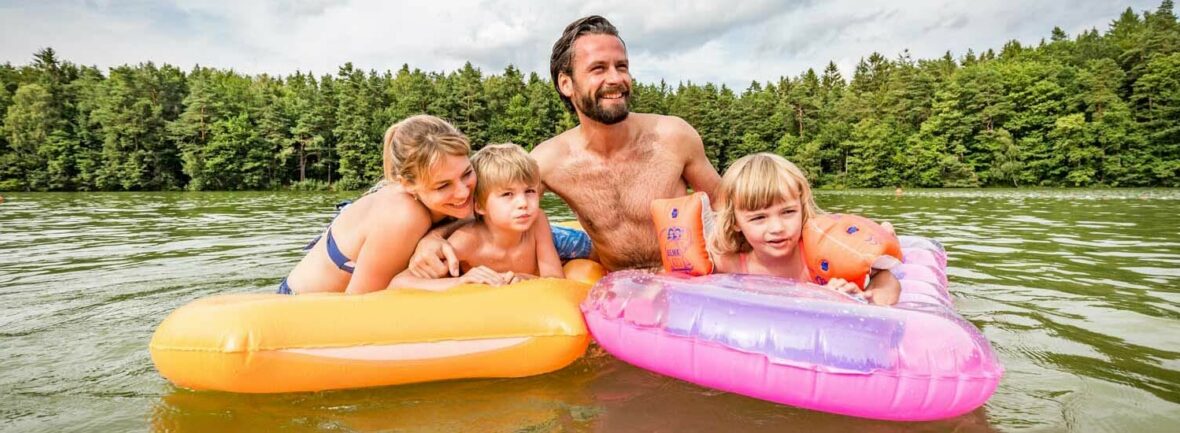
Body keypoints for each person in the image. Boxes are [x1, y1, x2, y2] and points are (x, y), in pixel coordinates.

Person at [407, 15, 720, 276]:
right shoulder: (548, 161)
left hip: (686, 277)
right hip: (615, 281)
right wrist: (432, 239)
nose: (616, 79)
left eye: (621, 66)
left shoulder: (673, 136)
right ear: (566, 83)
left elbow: (728, 203)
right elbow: (487, 211)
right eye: (599, 69)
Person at [280, 114, 507, 295]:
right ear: (408, 185)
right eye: (442, 186)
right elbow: (360, 305)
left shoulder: (463, 193)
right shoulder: (402, 215)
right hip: (301, 306)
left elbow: (473, 216)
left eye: (467, 173)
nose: (463, 191)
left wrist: (434, 236)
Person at [709, 153, 901, 305]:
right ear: (735, 221)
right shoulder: (729, 264)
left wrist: (864, 299)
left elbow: (886, 279)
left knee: (877, 254)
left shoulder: (822, 252)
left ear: (801, 206)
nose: (777, 228)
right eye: (759, 217)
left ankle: (885, 232)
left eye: (788, 212)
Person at [389, 143, 564, 290]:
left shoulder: (537, 221)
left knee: (586, 247)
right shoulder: (467, 241)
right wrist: (459, 282)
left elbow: (556, 280)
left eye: (530, 191)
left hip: (561, 239)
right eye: (507, 195)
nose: (523, 203)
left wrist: (524, 279)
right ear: (479, 206)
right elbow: (398, 283)